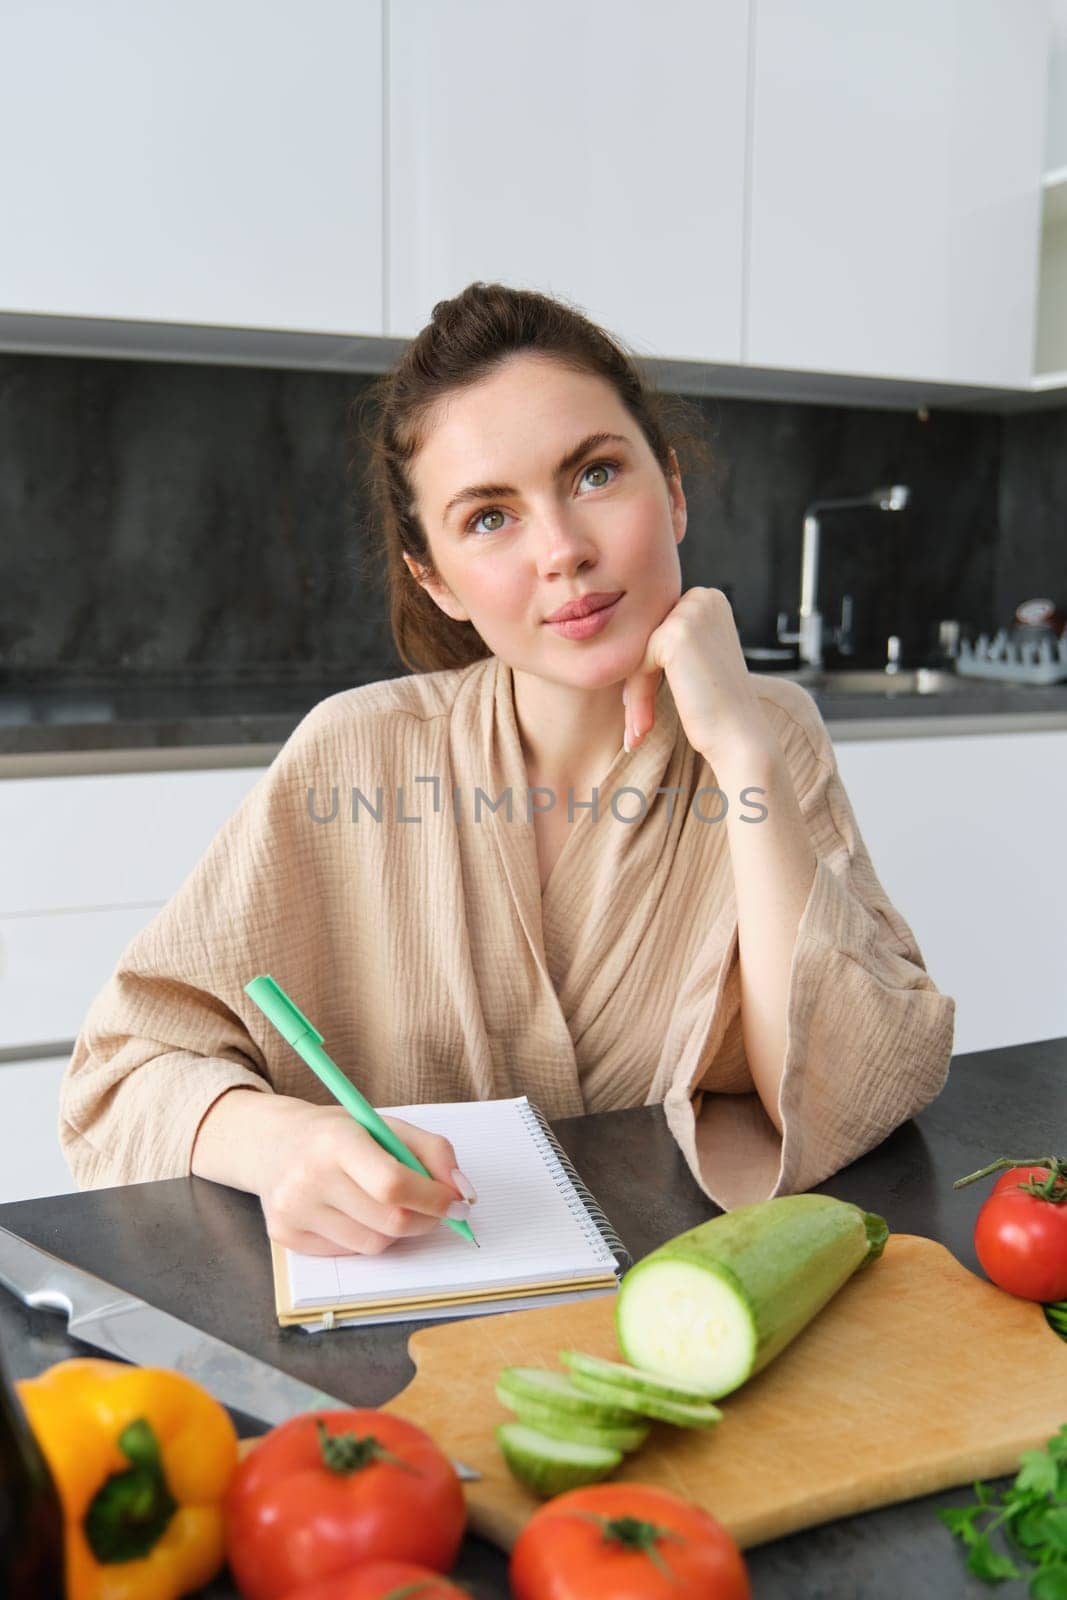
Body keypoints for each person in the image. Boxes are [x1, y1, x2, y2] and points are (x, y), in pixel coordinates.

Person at [59, 282, 956, 1256]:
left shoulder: (767, 734)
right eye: (489, 517)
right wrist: (279, 1142)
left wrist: (739, 745)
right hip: (400, 1330)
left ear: (673, 488)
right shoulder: (354, 751)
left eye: (595, 474)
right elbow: (120, 1075)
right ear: (433, 576)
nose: (563, 551)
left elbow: (841, 1091)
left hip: (677, 1305)